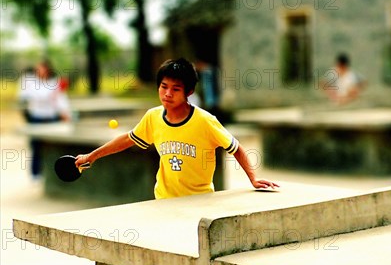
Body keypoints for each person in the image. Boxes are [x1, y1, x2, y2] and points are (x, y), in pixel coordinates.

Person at [75, 58, 279, 199]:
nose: (168, 94)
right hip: (164, 200)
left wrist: (253, 178)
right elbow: (127, 139)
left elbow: (236, 148)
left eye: (176, 89)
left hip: (200, 201)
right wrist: (91, 156)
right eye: (164, 87)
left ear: (189, 92)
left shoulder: (205, 121)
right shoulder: (153, 117)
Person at [19, 59, 71, 179]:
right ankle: (35, 173)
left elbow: (60, 101)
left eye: (41, 68)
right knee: (36, 146)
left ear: (47, 70)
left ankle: (54, 173)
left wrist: (65, 114)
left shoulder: (54, 83)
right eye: (37, 68)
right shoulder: (30, 83)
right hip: (36, 118)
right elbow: (29, 96)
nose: (39, 71)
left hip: (51, 119)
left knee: (53, 147)